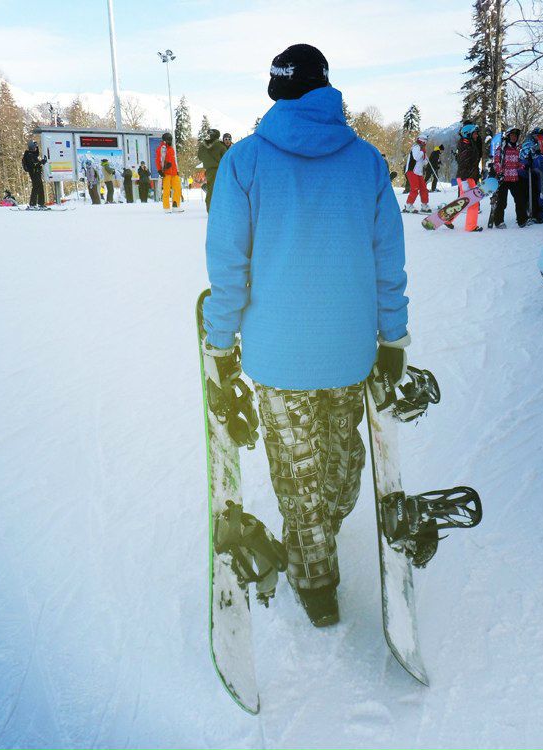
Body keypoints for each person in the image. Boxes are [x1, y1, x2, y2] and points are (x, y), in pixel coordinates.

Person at [202, 43, 408, 627]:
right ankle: (318, 569)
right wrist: (392, 337)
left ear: (276, 92)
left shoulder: (244, 162)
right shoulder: (366, 162)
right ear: (325, 88)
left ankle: (309, 552)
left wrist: (220, 340)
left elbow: (228, 265)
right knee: (337, 469)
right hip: (347, 353)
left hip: (281, 357)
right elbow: (387, 259)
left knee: (305, 476)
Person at [490, 127, 529, 228]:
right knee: (502, 202)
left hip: (514, 178)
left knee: (520, 199)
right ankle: (499, 221)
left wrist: (523, 166)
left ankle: (522, 220)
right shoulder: (502, 149)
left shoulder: (517, 149)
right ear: (508, 136)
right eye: (512, 135)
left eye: (515, 136)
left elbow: (518, 163)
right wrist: (500, 172)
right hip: (503, 179)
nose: (514, 137)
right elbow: (496, 162)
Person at [455, 123, 482, 231]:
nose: (476, 135)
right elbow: (463, 164)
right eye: (475, 133)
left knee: (462, 202)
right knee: (473, 202)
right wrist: (464, 181)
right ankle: (471, 226)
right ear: (468, 134)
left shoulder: (468, 144)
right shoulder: (466, 147)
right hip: (466, 177)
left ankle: (448, 219)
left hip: (467, 176)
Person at [198, 128, 228, 212]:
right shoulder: (220, 146)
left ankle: (210, 210)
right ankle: (217, 211)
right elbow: (226, 159)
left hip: (209, 171)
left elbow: (200, 157)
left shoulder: (202, 147)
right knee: (222, 191)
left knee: (211, 191)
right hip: (220, 170)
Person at [155, 132, 183, 213]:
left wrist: (177, 170)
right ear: (164, 140)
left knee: (178, 188)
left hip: (174, 172)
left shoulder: (171, 149)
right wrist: (159, 170)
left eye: (171, 139)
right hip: (166, 173)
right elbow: (158, 160)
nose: (170, 141)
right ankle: (166, 207)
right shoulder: (161, 149)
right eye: (168, 139)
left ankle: (176, 205)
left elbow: (174, 161)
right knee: (166, 190)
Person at [402, 135, 430, 214]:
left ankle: (424, 205)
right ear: (422, 140)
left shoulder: (422, 149)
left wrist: (425, 156)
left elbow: (425, 163)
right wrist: (422, 152)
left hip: (419, 172)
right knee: (415, 188)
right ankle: (408, 205)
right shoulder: (416, 147)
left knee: (423, 189)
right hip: (411, 171)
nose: (426, 143)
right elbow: (416, 157)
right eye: (425, 141)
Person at [22, 141, 47, 209]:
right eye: (34, 147)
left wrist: (37, 146)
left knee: (39, 187)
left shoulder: (31, 154)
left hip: (36, 173)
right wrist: (42, 162)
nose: (35, 148)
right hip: (34, 173)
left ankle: (40, 203)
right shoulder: (29, 155)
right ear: (32, 147)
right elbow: (34, 164)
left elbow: (36, 153)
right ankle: (33, 204)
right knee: (36, 188)